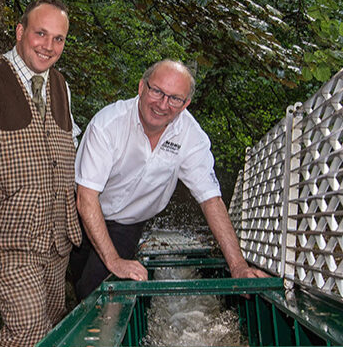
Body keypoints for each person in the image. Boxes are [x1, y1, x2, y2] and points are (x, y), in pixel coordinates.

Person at [71, 59, 268, 299]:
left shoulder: (190, 136)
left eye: (175, 98)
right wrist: (113, 260)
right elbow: (86, 198)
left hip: (128, 223)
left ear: (186, 104)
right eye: (157, 91)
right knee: (73, 275)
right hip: (82, 210)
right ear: (142, 87)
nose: (163, 104)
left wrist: (238, 267)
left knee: (98, 288)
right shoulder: (108, 125)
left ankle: (95, 326)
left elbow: (210, 199)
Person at [0, 0, 82, 347]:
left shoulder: (61, 86)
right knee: (31, 333)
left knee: (52, 328)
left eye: (58, 39)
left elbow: (70, 145)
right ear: (21, 32)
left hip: (57, 239)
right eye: (40, 34)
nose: (48, 46)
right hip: (10, 237)